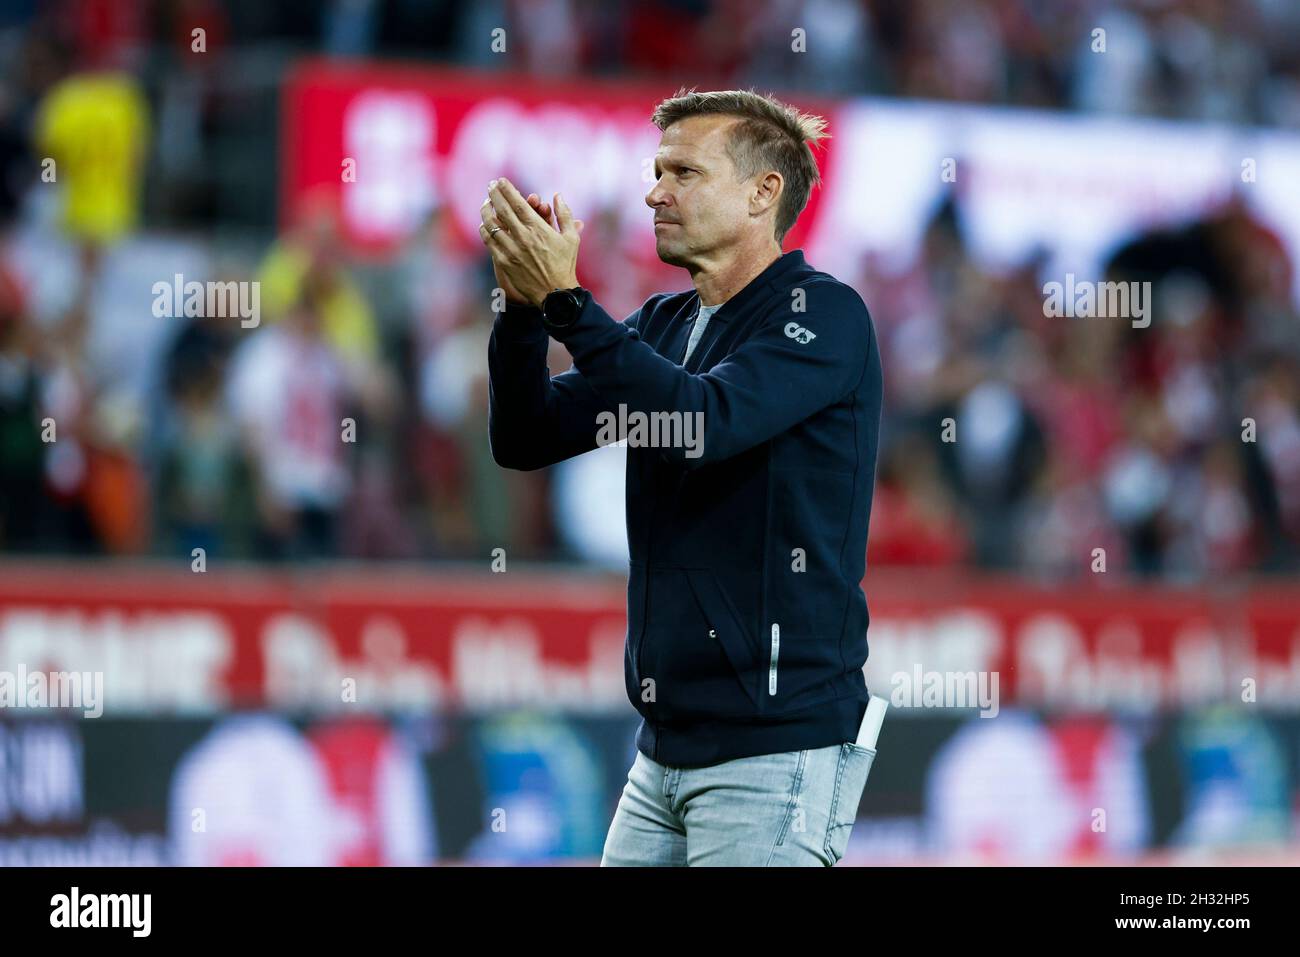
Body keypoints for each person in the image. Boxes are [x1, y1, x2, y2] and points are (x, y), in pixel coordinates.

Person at [483, 89, 883, 866]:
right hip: (662, 750)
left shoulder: (826, 316)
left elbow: (700, 423)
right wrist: (525, 309)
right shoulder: (666, 324)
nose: (653, 191)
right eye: (656, 170)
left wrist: (568, 302)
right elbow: (525, 437)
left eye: (684, 172)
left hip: (775, 746)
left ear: (763, 193)